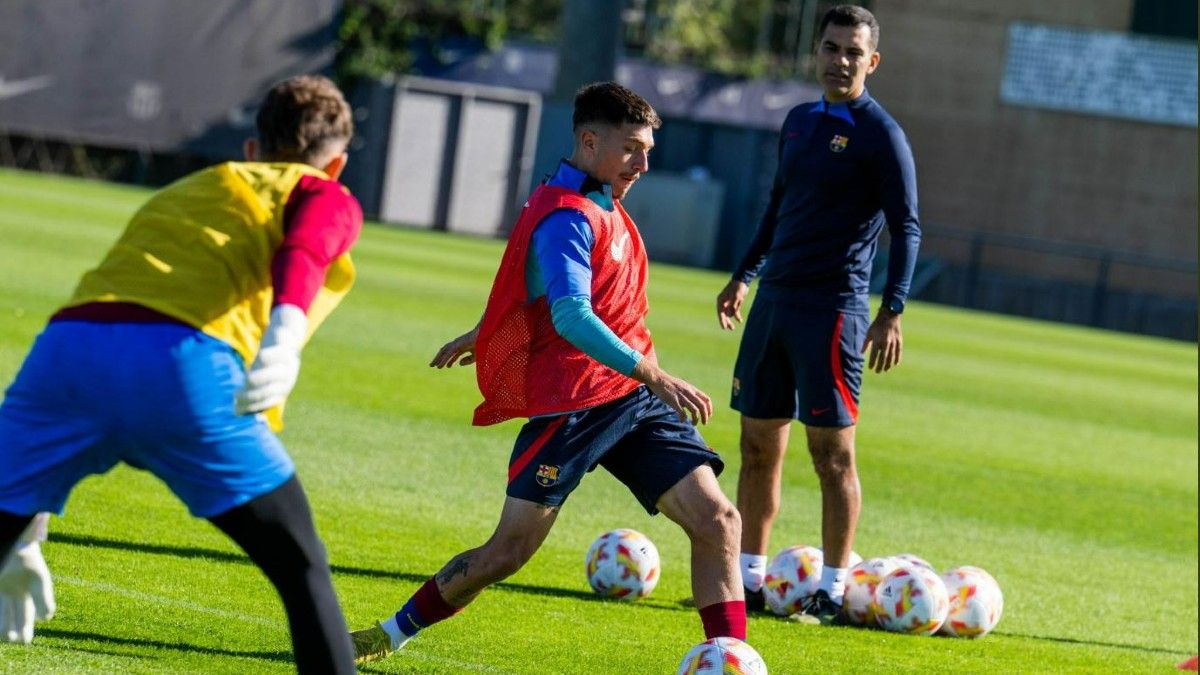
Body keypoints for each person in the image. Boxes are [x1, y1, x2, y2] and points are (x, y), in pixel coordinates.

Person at [350, 82, 746, 664]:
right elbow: (570, 314)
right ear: (589, 141)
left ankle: (732, 659)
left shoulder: (598, 200)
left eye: (648, 149)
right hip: (574, 406)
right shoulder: (567, 216)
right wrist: (656, 375)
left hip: (630, 397)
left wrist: (486, 334)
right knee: (505, 554)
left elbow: (538, 291)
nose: (644, 162)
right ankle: (388, 634)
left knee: (718, 520)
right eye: (632, 148)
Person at [0, 75, 363, 672]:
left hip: (66, 352)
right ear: (338, 164)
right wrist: (287, 333)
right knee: (300, 565)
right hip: (181, 370)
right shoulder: (320, 190)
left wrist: (26, 528)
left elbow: (115, 319)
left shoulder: (187, 188)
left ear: (250, 150)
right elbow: (312, 233)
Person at [715, 4, 921, 624]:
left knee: (832, 458)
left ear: (872, 61)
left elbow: (907, 226)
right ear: (817, 53)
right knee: (756, 448)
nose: (840, 61)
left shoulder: (882, 134)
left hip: (832, 310)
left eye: (853, 52)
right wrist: (745, 275)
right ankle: (749, 581)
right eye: (832, 49)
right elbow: (778, 207)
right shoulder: (800, 122)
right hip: (774, 301)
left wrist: (892, 311)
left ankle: (832, 589)